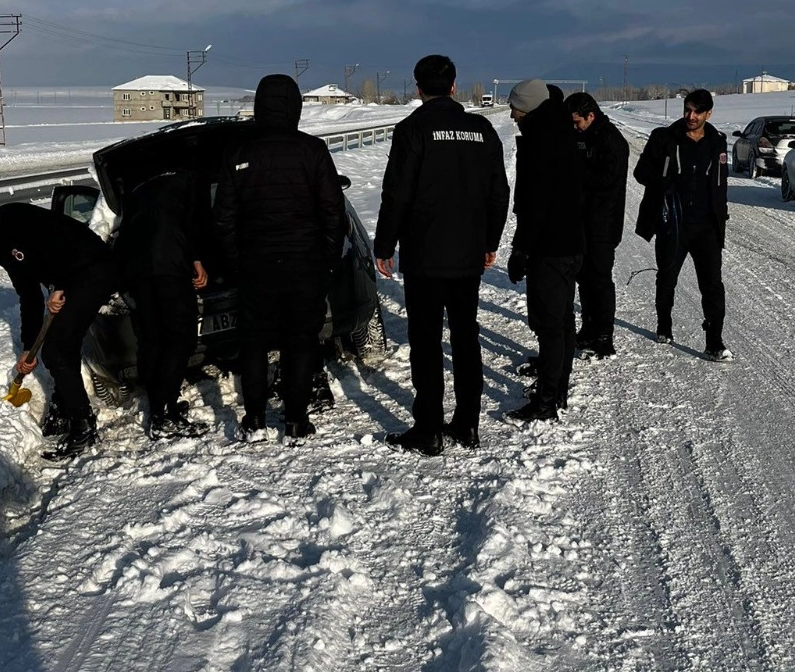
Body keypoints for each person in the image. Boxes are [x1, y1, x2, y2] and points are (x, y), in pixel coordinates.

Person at [374, 54, 510, 455]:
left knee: (427, 341)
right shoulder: (481, 129)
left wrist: (385, 245)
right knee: (466, 337)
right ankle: (468, 424)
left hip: (425, 255)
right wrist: (490, 241)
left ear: (418, 89)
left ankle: (429, 429)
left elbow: (396, 194)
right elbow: (498, 191)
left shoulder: (412, 129)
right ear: (454, 86)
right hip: (467, 253)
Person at [212, 73, 345, 440]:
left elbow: (223, 217)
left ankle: (254, 419)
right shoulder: (313, 149)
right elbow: (333, 211)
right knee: (300, 340)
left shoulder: (238, 152)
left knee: (253, 340)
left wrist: (235, 262)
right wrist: (328, 259)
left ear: (258, 105)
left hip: (256, 264)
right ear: (295, 107)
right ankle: (296, 420)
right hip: (305, 263)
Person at [0, 197, 118, 458]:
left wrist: (61, 286)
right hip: (76, 275)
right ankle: (64, 406)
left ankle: (83, 426)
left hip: (93, 268)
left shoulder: (13, 217)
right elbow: (29, 295)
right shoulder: (0, 247)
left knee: (57, 350)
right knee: (61, 345)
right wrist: (27, 347)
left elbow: (60, 243)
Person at [633, 88, 733, 361]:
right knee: (667, 278)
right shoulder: (664, 138)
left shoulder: (717, 142)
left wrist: (720, 217)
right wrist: (663, 183)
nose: (691, 116)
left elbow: (720, 184)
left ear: (708, 113)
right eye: (687, 110)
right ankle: (664, 325)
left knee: (712, 284)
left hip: (707, 227)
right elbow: (640, 173)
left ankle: (714, 341)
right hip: (673, 224)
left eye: (697, 112)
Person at [506, 78, 585, 420]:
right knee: (563, 322)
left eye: (515, 107)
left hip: (549, 248)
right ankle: (557, 391)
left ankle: (547, 401)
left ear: (529, 107)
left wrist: (521, 249)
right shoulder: (564, 133)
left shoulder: (541, 141)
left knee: (551, 326)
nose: (511, 114)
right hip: (570, 243)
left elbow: (536, 204)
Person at [111, 169, 210, 439]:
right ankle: (164, 414)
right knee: (181, 338)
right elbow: (195, 222)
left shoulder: (138, 188)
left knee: (153, 339)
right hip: (169, 265)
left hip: (137, 271)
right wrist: (197, 259)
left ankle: (159, 409)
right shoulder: (191, 180)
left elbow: (123, 230)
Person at [564, 91, 629, 358]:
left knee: (600, 279)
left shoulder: (611, 141)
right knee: (584, 278)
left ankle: (604, 334)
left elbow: (606, 181)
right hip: (582, 220)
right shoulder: (583, 135)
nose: (575, 127)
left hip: (603, 222)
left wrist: (576, 172)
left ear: (591, 116)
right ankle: (589, 327)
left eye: (578, 122)